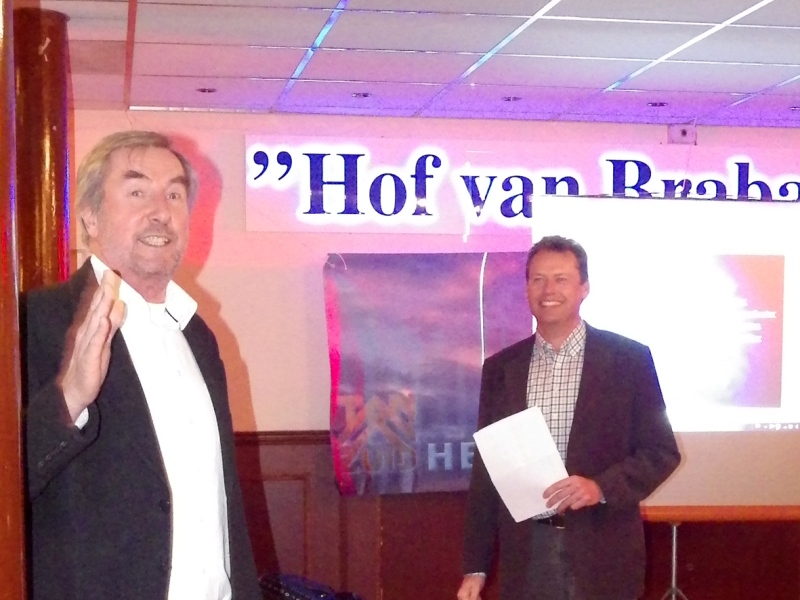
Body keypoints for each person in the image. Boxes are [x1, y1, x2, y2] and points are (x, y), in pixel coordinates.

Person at [23, 131, 261, 599]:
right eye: (137, 192)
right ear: (90, 216)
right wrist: (69, 399)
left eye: (174, 194)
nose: (161, 211)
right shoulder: (34, 322)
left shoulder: (199, 336)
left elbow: (223, 502)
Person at [458, 236, 681, 600]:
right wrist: (476, 566)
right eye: (538, 279)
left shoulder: (628, 360)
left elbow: (661, 452)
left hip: (603, 550)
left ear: (584, 288)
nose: (548, 290)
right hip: (527, 552)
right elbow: (487, 471)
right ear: (527, 288)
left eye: (561, 279)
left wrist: (600, 487)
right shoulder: (501, 369)